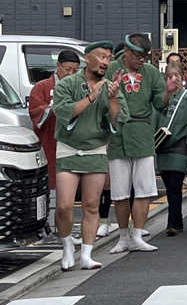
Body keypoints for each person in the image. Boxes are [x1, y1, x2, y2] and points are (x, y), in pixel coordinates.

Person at [52, 41, 127, 270]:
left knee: (91, 205)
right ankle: (66, 245)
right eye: (101, 56)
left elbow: (119, 119)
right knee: (64, 205)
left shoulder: (111, 86)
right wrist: (91, 97)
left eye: (108, 58)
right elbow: (62, 111)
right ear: (87, 58)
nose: (105, 62)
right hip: (69, 147)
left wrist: (112, 99)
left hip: (95, 148)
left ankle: (86, 253)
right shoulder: (68, 83)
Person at [107, 33, 179, 255]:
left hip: (143, 133)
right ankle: (123, 236)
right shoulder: (112, 69)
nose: (141, 60)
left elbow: (159, 103)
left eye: (145, 56)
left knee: (144, 189)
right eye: (138, 56)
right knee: (120, 192)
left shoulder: (149, 73)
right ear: (126, 53)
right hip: (117, 134)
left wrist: (168, 91)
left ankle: (138, 234)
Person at [29, 49, 81, 225]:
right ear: (58, 66)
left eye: (75, 70)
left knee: (68, 193)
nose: (71, 74)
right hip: (50, 143)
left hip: (71, 143)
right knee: (50, 188)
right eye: (67, 69)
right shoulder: (42, 87)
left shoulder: (79, 87)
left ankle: (64, 230)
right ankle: (50, 226)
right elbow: (35, 112)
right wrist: (54, 109)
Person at [155, 64, 187, 236]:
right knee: (169, 185)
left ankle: (173, 222)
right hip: (163, 146)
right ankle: (176, 220)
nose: (175, 78)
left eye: (178, 75)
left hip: (180, 145)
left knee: (175, 183)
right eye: (170, 76)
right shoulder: (161, 99)